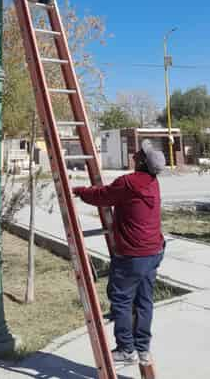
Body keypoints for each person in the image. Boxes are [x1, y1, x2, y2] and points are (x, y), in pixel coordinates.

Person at [73, 139, 166, 369]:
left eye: (139, 154)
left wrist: (80, 191)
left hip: (133, 255)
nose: (134, 155)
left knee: (122, 301)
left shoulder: (130, 182)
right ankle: (142, 348)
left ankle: (126, 349)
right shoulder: (153, 182)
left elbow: (102, 196)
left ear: (143, 162)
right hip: (153, 251)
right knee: (144, 301)